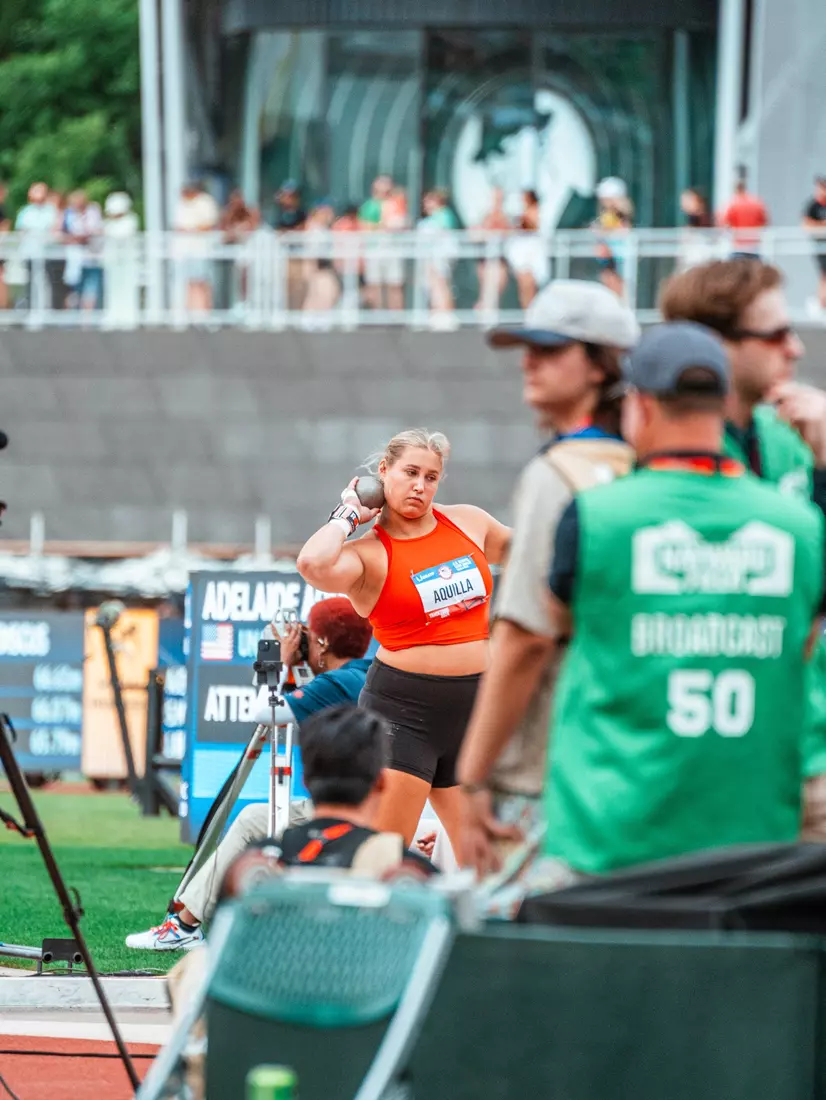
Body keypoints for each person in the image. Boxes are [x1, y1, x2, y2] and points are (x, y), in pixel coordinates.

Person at [524, 322, 824, 902]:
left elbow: (550, 629)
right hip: (756, 837)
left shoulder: (598, 514)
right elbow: (805, 643)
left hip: (608, 832)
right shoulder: (800, 525)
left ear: (641, 405)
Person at [456, 281, 640, 878]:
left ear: (600, 364)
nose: (528, 362)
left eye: (551, 348)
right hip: (630, 755)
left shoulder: (558, 474)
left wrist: (474, 775)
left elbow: (525, 639)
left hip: (547, 772)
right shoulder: (647, 466)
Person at [659, 258, 826, 836]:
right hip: (704, 760)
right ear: (715, 347)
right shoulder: (662, 454)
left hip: (803, 744)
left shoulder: (794, 433)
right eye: (776, 333)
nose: (797, 348)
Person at [296, 428, 511, 859]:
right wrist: (348, 514)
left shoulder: (468, 522)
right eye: (410, 472)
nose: (420, 486)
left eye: (431, 477)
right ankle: (362, 928)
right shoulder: (367, 554)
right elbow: (312, 563)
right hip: (407, 711)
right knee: (384, 853)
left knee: (486, 856)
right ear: (382, 473)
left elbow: (536, 556)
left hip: (476, 705)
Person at [125, 597, 375, 951]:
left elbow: (265, 711)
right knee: (257, 817)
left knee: (252, 820)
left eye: (309, 635)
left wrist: (280, 665)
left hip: (348, 813)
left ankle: (185, 926)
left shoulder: (336, 683)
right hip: (379, 803)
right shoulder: (367, 674)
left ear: (322, 642)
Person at [174, 181, 220, 313]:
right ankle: (190, 312)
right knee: (188, 282)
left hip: (201, 249)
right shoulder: (181, 204)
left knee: (202, 281)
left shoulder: (205, 202)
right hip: (184, 250)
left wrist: (191, 229)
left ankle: (205, 312)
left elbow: (209, 224)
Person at [504, 190, 548, 309]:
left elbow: (531, 226)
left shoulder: (537, 212)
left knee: (530, 284)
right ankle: (528, 313)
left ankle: (532, 313)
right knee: (524, 285)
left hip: (532, 252)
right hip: (521, 252)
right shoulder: (521, 212)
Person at [102, 192, 140, 329]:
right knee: (112, 289)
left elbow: (121, 235)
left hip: (127, 262)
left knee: (127, 288)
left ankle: (128, 316)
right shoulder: (108, 223)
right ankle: (113, 314)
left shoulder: (130, 221)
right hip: (113, 261)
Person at [473, 186, 511, 312]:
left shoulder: (504, 217)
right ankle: (485, 310)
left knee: (495, 289)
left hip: (499, 259)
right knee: (487, 289)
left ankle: (488, 311)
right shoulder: (486, 216)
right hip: (486, 259)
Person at [718, 175, 768, 259]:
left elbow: (725, 223)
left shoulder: (732, 204)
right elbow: (765, 221)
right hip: (754, 245)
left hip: (738, 246)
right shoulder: (757, 202)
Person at [802, 175, 826, 311]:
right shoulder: (813, 205)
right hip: (821, 247)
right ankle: (821, 303)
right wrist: (821, 224)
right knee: (824, 276)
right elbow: (806, 225)